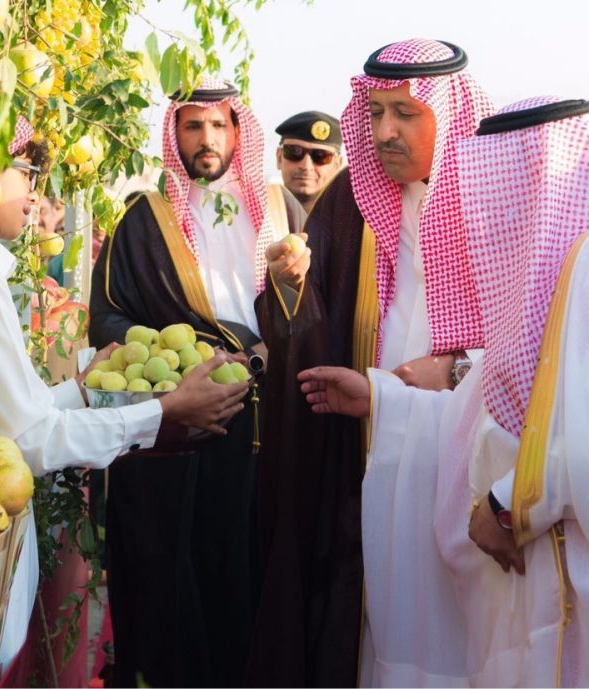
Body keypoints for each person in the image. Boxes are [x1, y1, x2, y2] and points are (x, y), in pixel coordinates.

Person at [0, 104, 249, 678]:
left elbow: (4, 414)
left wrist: (82, 388)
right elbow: (30, 439)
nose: (36, 193)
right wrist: (162, 412)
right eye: (26, 172)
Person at [299, 96, 589, 687]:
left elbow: (571, 435)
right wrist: (381, 398)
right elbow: (497, 398)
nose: (492, 210)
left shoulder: (579, 273)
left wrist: (508, 505)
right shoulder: (557, 279)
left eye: (511, 183)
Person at [251, 39, 494, 686]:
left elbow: (531, 343)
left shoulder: (495, 200)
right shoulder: (351, 204)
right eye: (377, 112)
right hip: (371, 458)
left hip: (470, 471)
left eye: (405, 114)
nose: (385, 131)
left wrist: (460, 370)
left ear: (448, 113)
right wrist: (288, 287)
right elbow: (308, 325)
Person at [88, 75, 305, 688]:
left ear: (239, 130)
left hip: (261, 426)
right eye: (192, 126)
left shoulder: (280, 210)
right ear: (173, 135)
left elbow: (313, 314)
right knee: (170, 578)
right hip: (177, 428)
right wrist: (176, 369)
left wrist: (277, 320)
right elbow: (107, 318)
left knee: (246, 568)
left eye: (218, 124)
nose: (206, 139)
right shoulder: (142, 219)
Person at [275, 110, 343, 213]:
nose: (306, 166)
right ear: (279, 158)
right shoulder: (255, 222)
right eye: (295, 152)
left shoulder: (353, 224)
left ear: (337, 165)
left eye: (320, 156)